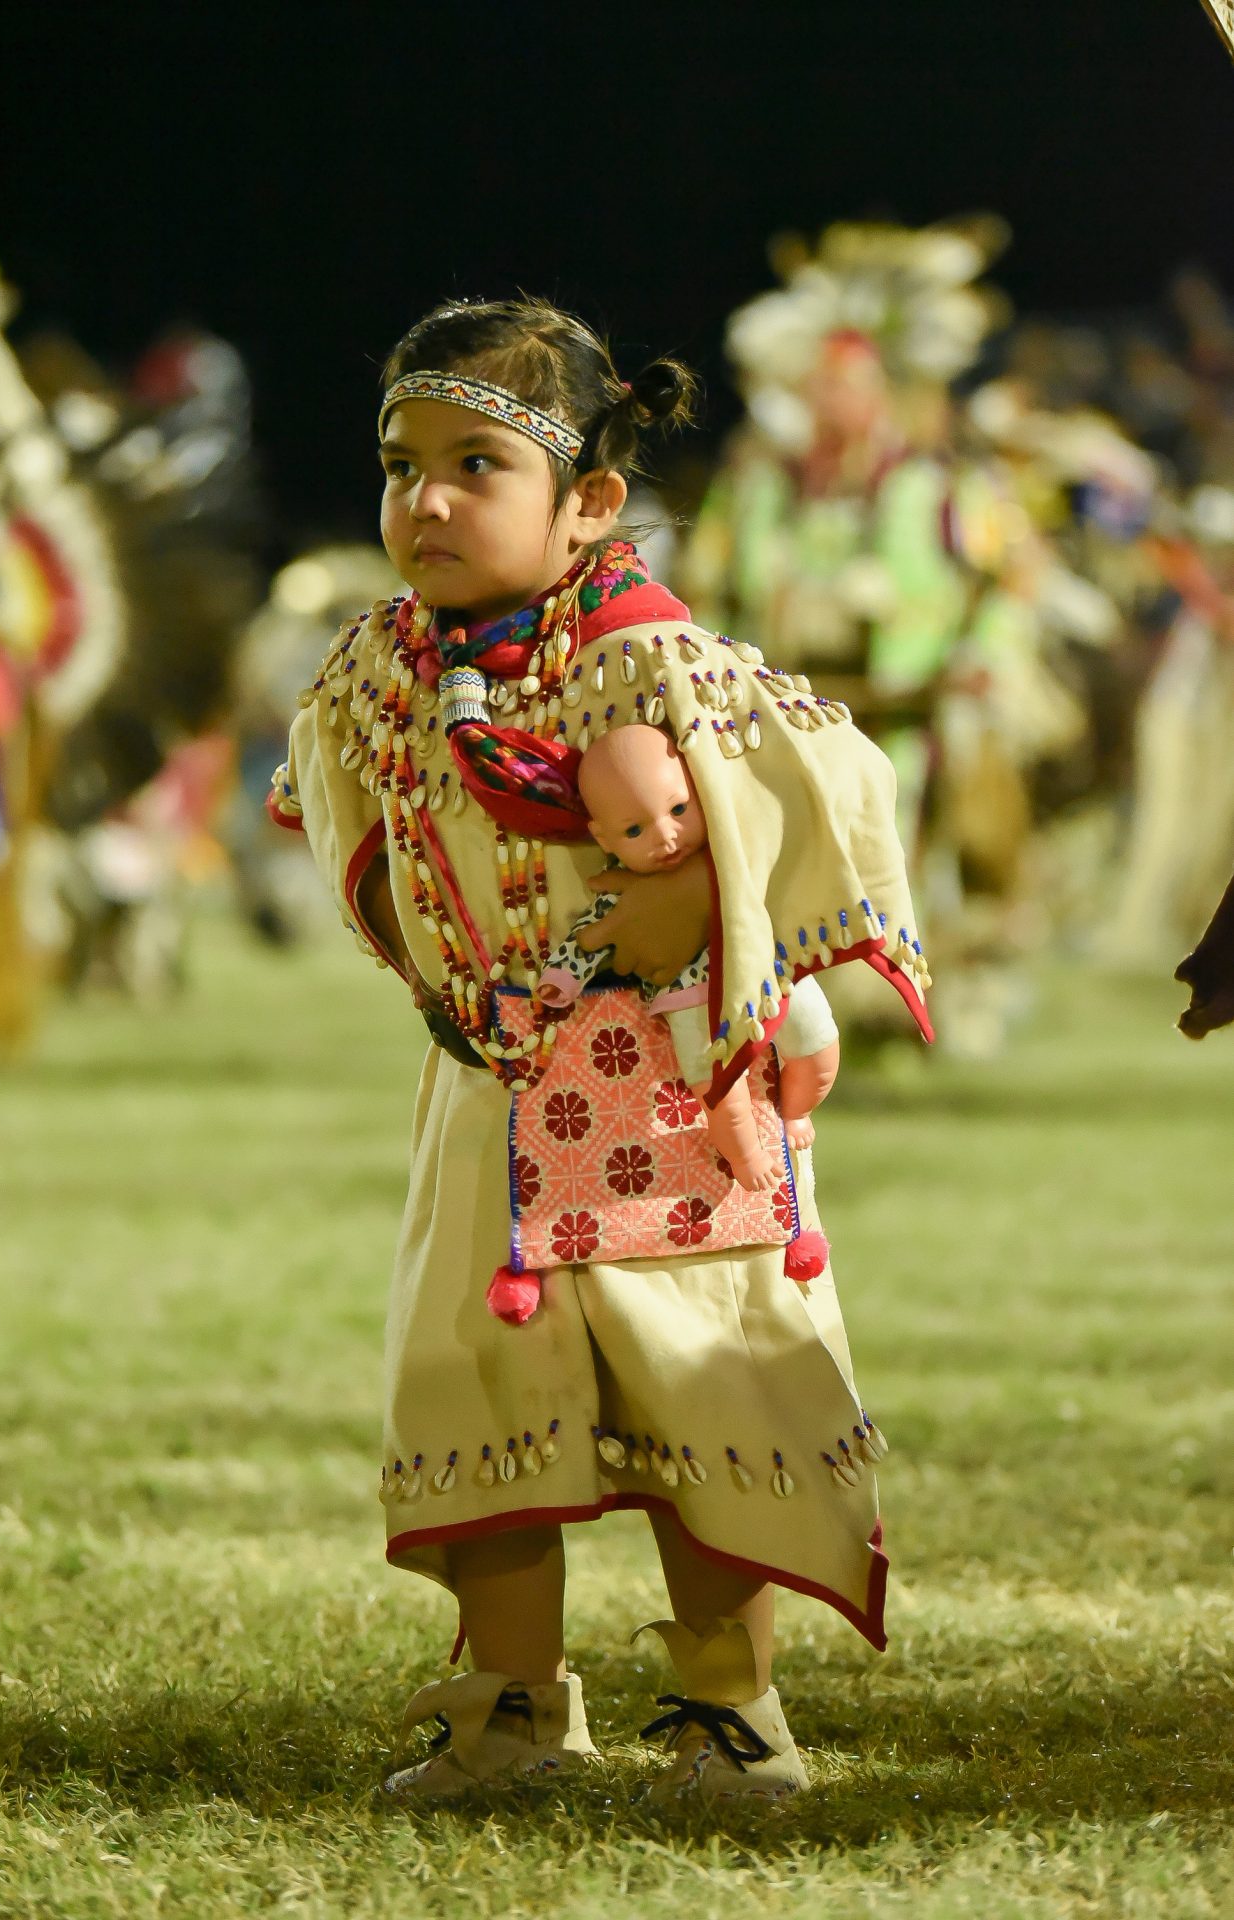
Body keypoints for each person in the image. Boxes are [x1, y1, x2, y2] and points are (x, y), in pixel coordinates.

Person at [269, 297, 931, 1802]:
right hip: (490, 1099)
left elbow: (816, 782)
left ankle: (730, 1708)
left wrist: (707, 895)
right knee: (477, 1379)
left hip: (672, 1094)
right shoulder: (384, 664)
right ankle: (509, 1703)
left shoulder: (651, 664)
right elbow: (347, 819)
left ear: (588, 506)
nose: (423, 499)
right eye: (398, 462)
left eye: (475, 465)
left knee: (708, 1383)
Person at [538, 722, 842, 1184]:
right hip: (689, 1003)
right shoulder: (622, 890)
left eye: (679, 809)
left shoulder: (733, 858)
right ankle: (744, 1157)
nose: (666, 836)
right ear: (603, 839)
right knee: (720, 1089)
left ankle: (797, 1110)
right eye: (635, 829)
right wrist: (563, 977)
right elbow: (592, 935)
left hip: (767, 970)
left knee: (818, 1044)